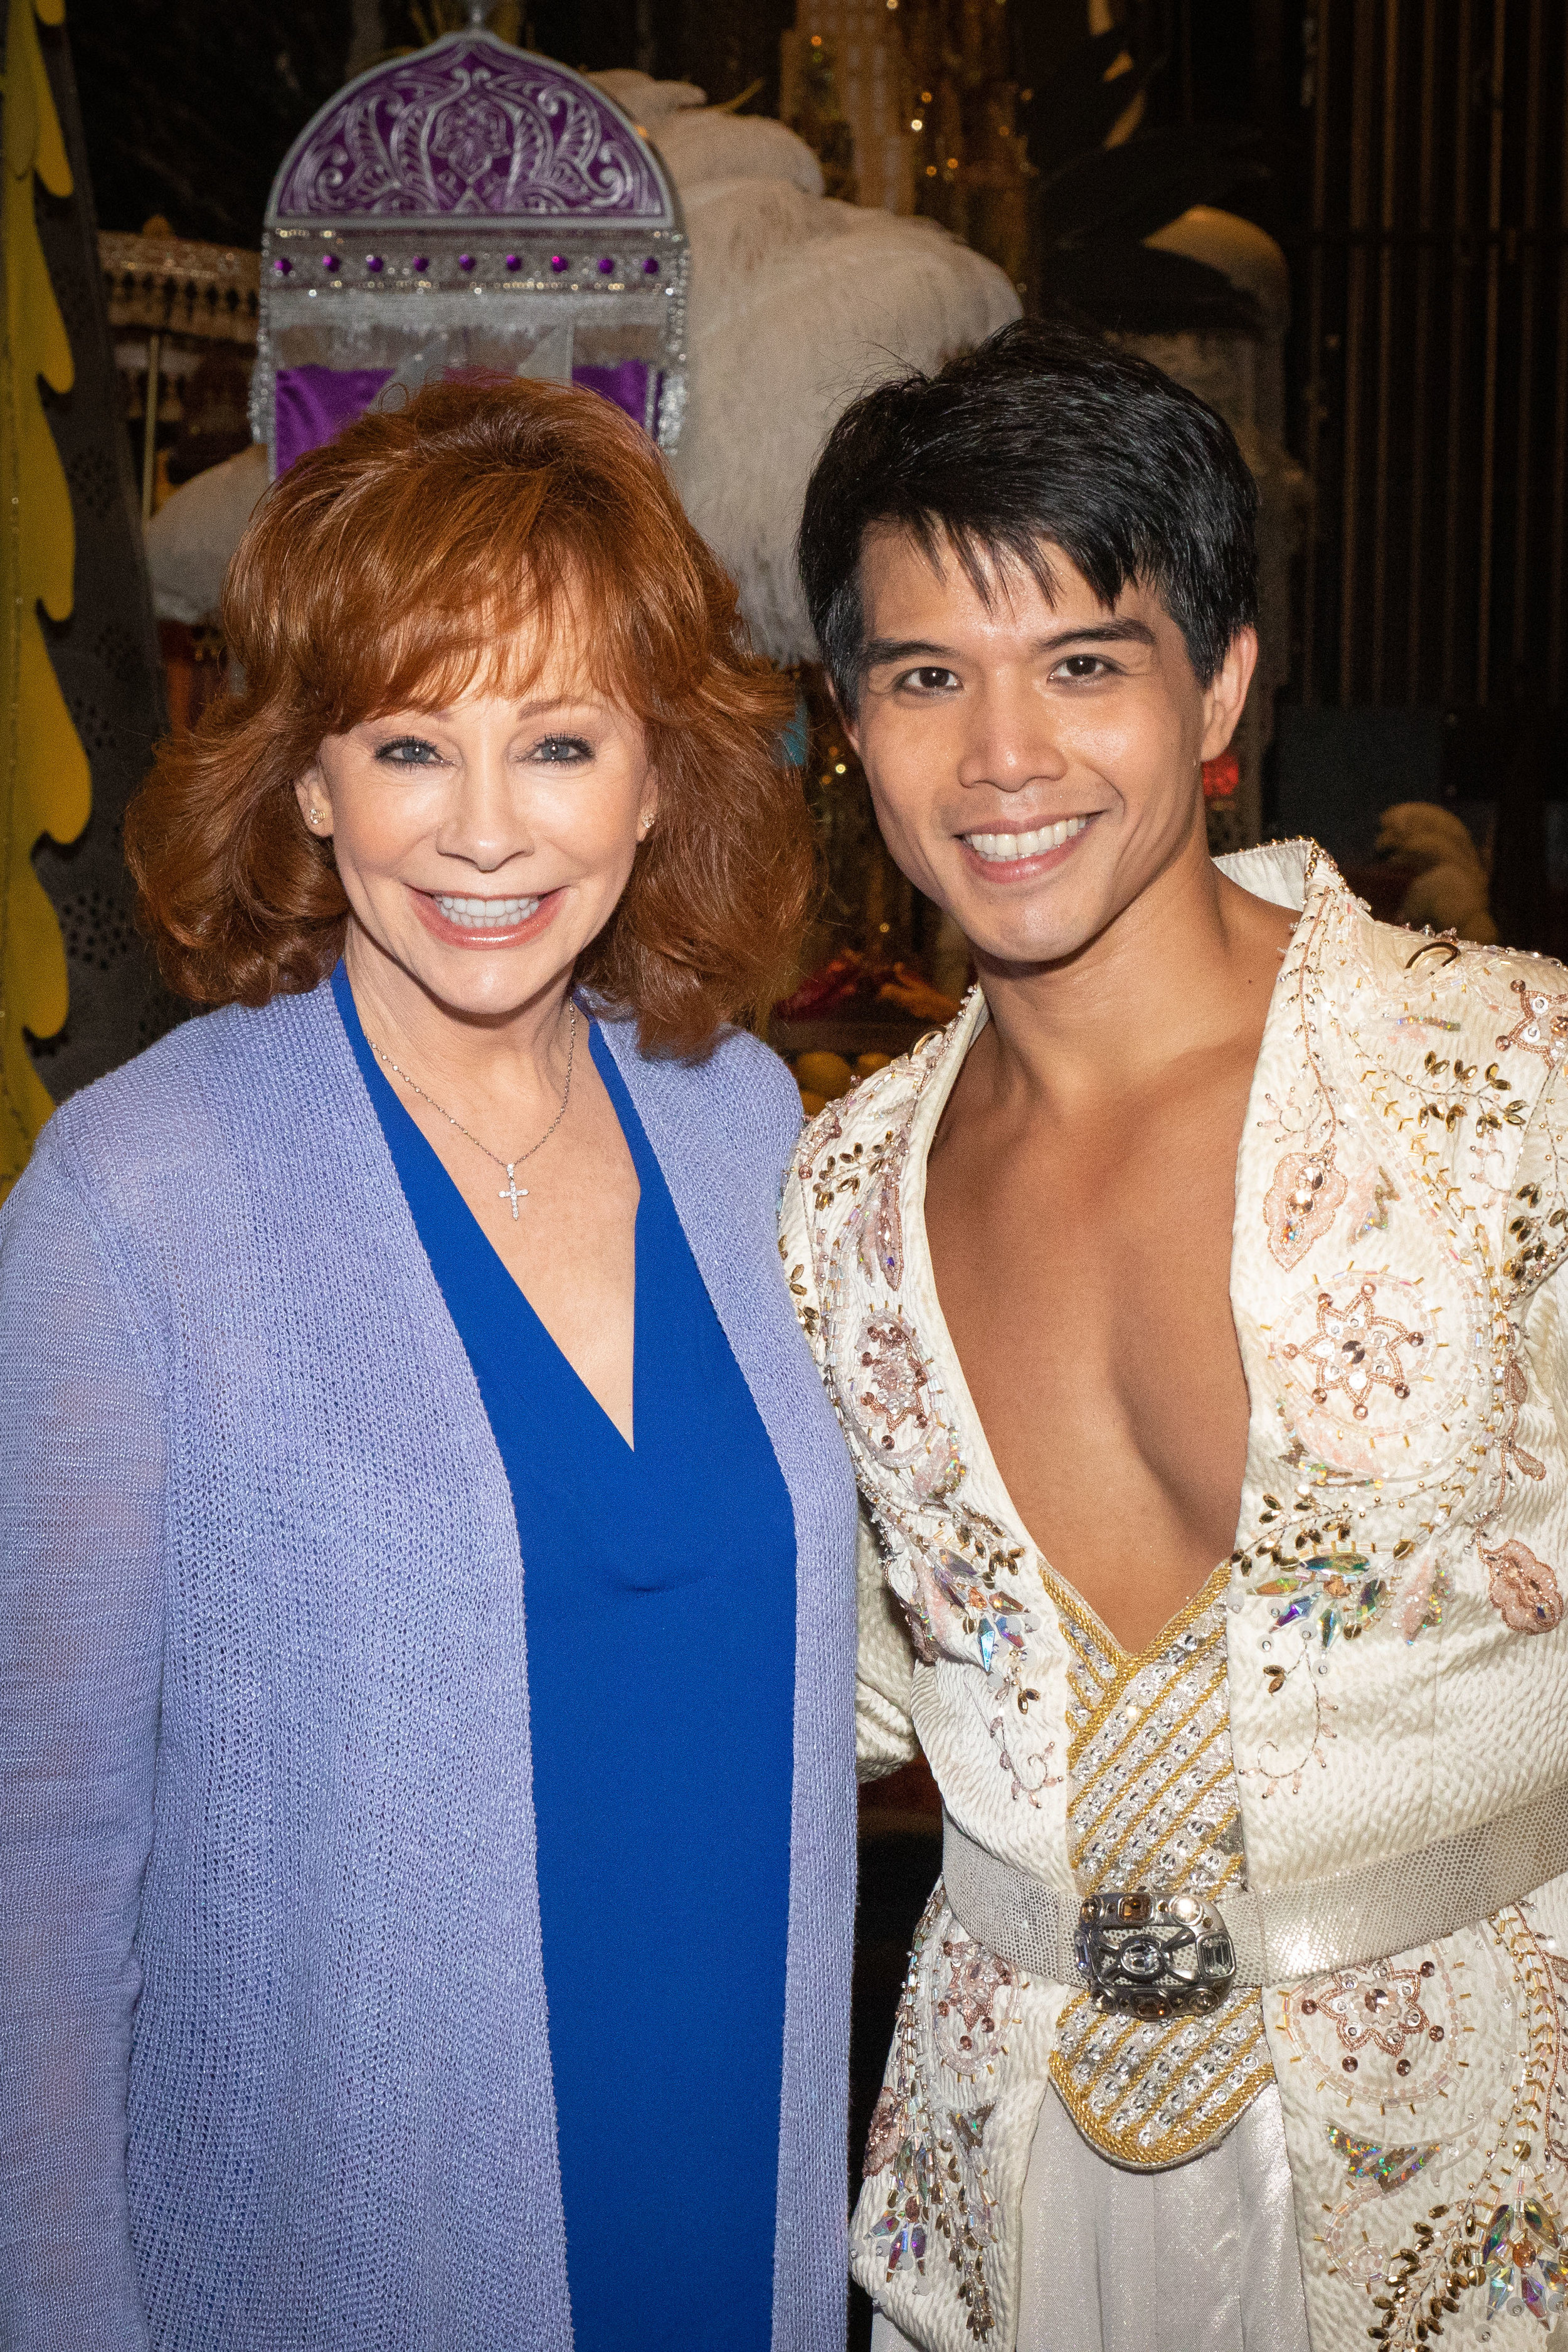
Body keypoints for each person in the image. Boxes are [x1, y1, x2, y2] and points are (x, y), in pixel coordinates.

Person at [0, 378, 859, 2352]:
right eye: (409, 744)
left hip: (734, 2209)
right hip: (352, 2256)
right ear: (307, 781)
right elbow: (37, 1865)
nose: (486, 831)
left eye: (558, 742)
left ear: (657, 779)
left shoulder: (748, 1137)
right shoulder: (138, 1201)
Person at [783, 317, 1568, 2352]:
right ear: (846, 726)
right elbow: (815, 1688)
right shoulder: (831, 1204)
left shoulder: (1507, 1086)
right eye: (925, 677)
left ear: (1218, 684)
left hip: (1479, 2188)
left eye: (1083, 664)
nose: (1003, 758)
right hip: (1004, 2189)